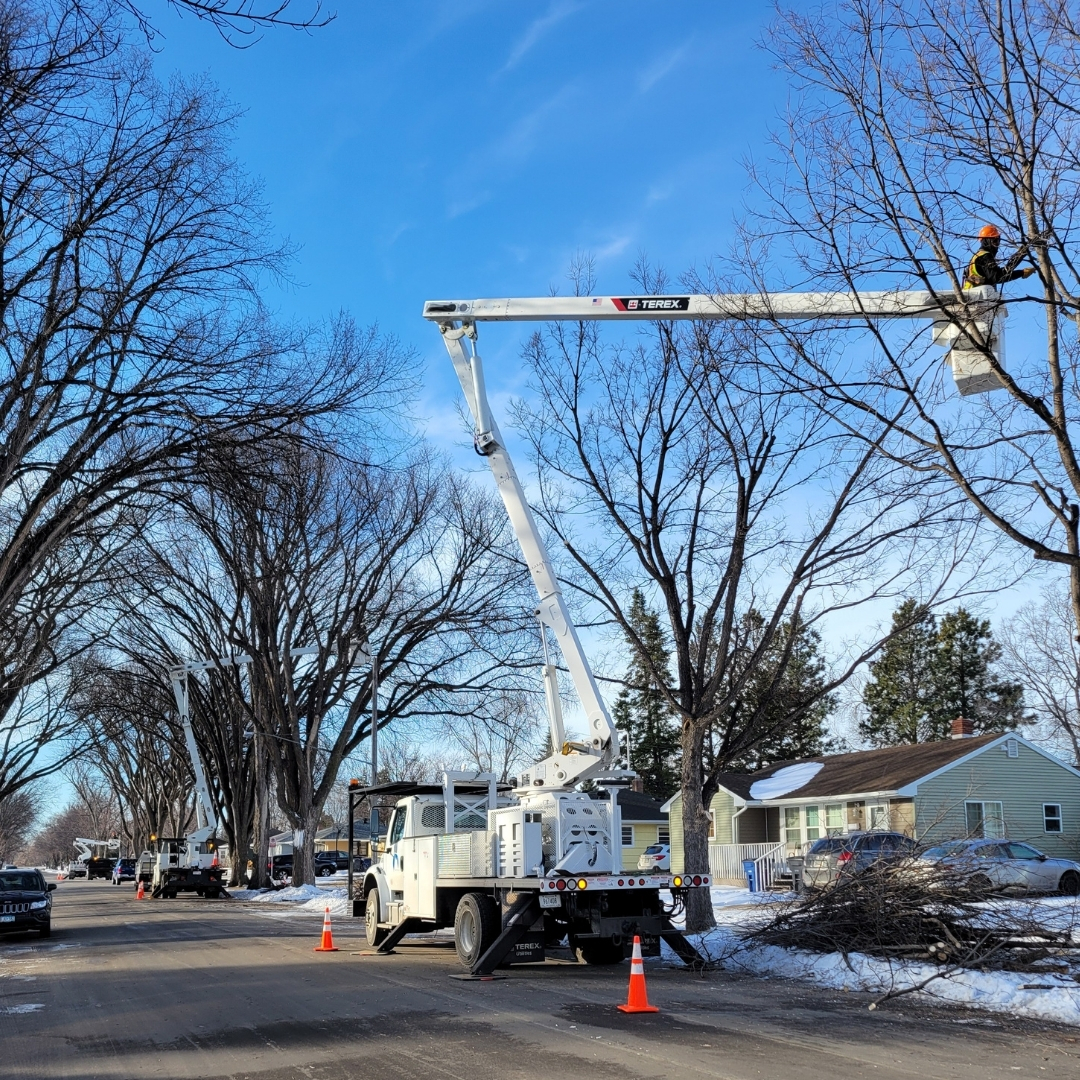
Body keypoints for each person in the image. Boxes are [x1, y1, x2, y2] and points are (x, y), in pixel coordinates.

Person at [963, 224, 1037, 290]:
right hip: (977, 297)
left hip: (976, 296)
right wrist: (1021, 272)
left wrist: (1022, 253)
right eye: (995, 241)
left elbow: (998, 276)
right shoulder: (984, 256)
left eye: (998, 241)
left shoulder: (978, 256)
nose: (997, 244)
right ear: (987, 241)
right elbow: (999, 277)